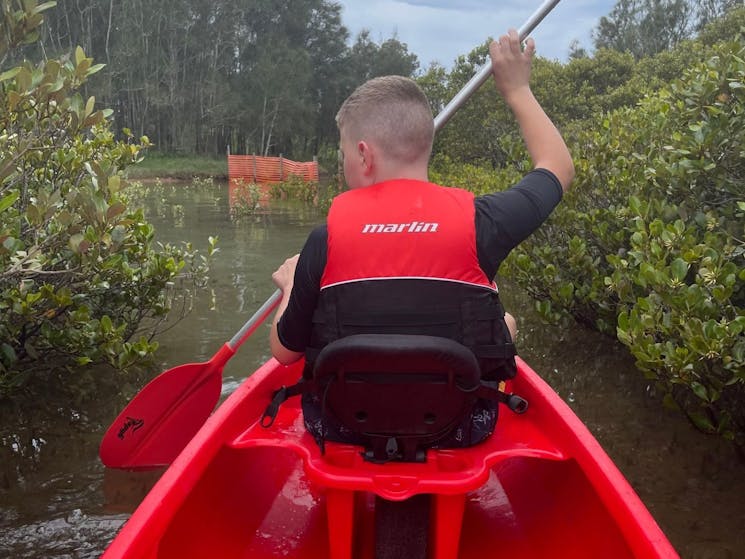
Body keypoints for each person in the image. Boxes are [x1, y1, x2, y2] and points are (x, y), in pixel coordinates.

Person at [268, 29, 574, 449]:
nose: (343, 164)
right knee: (505, 321)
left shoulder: (324, 241)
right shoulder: (480, 224)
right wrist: (517, 89)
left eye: (343, 155)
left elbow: (284, 352)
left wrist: (289, 287)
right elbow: (557, 168)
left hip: (340, 428)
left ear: (363, 155)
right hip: (462, 426)